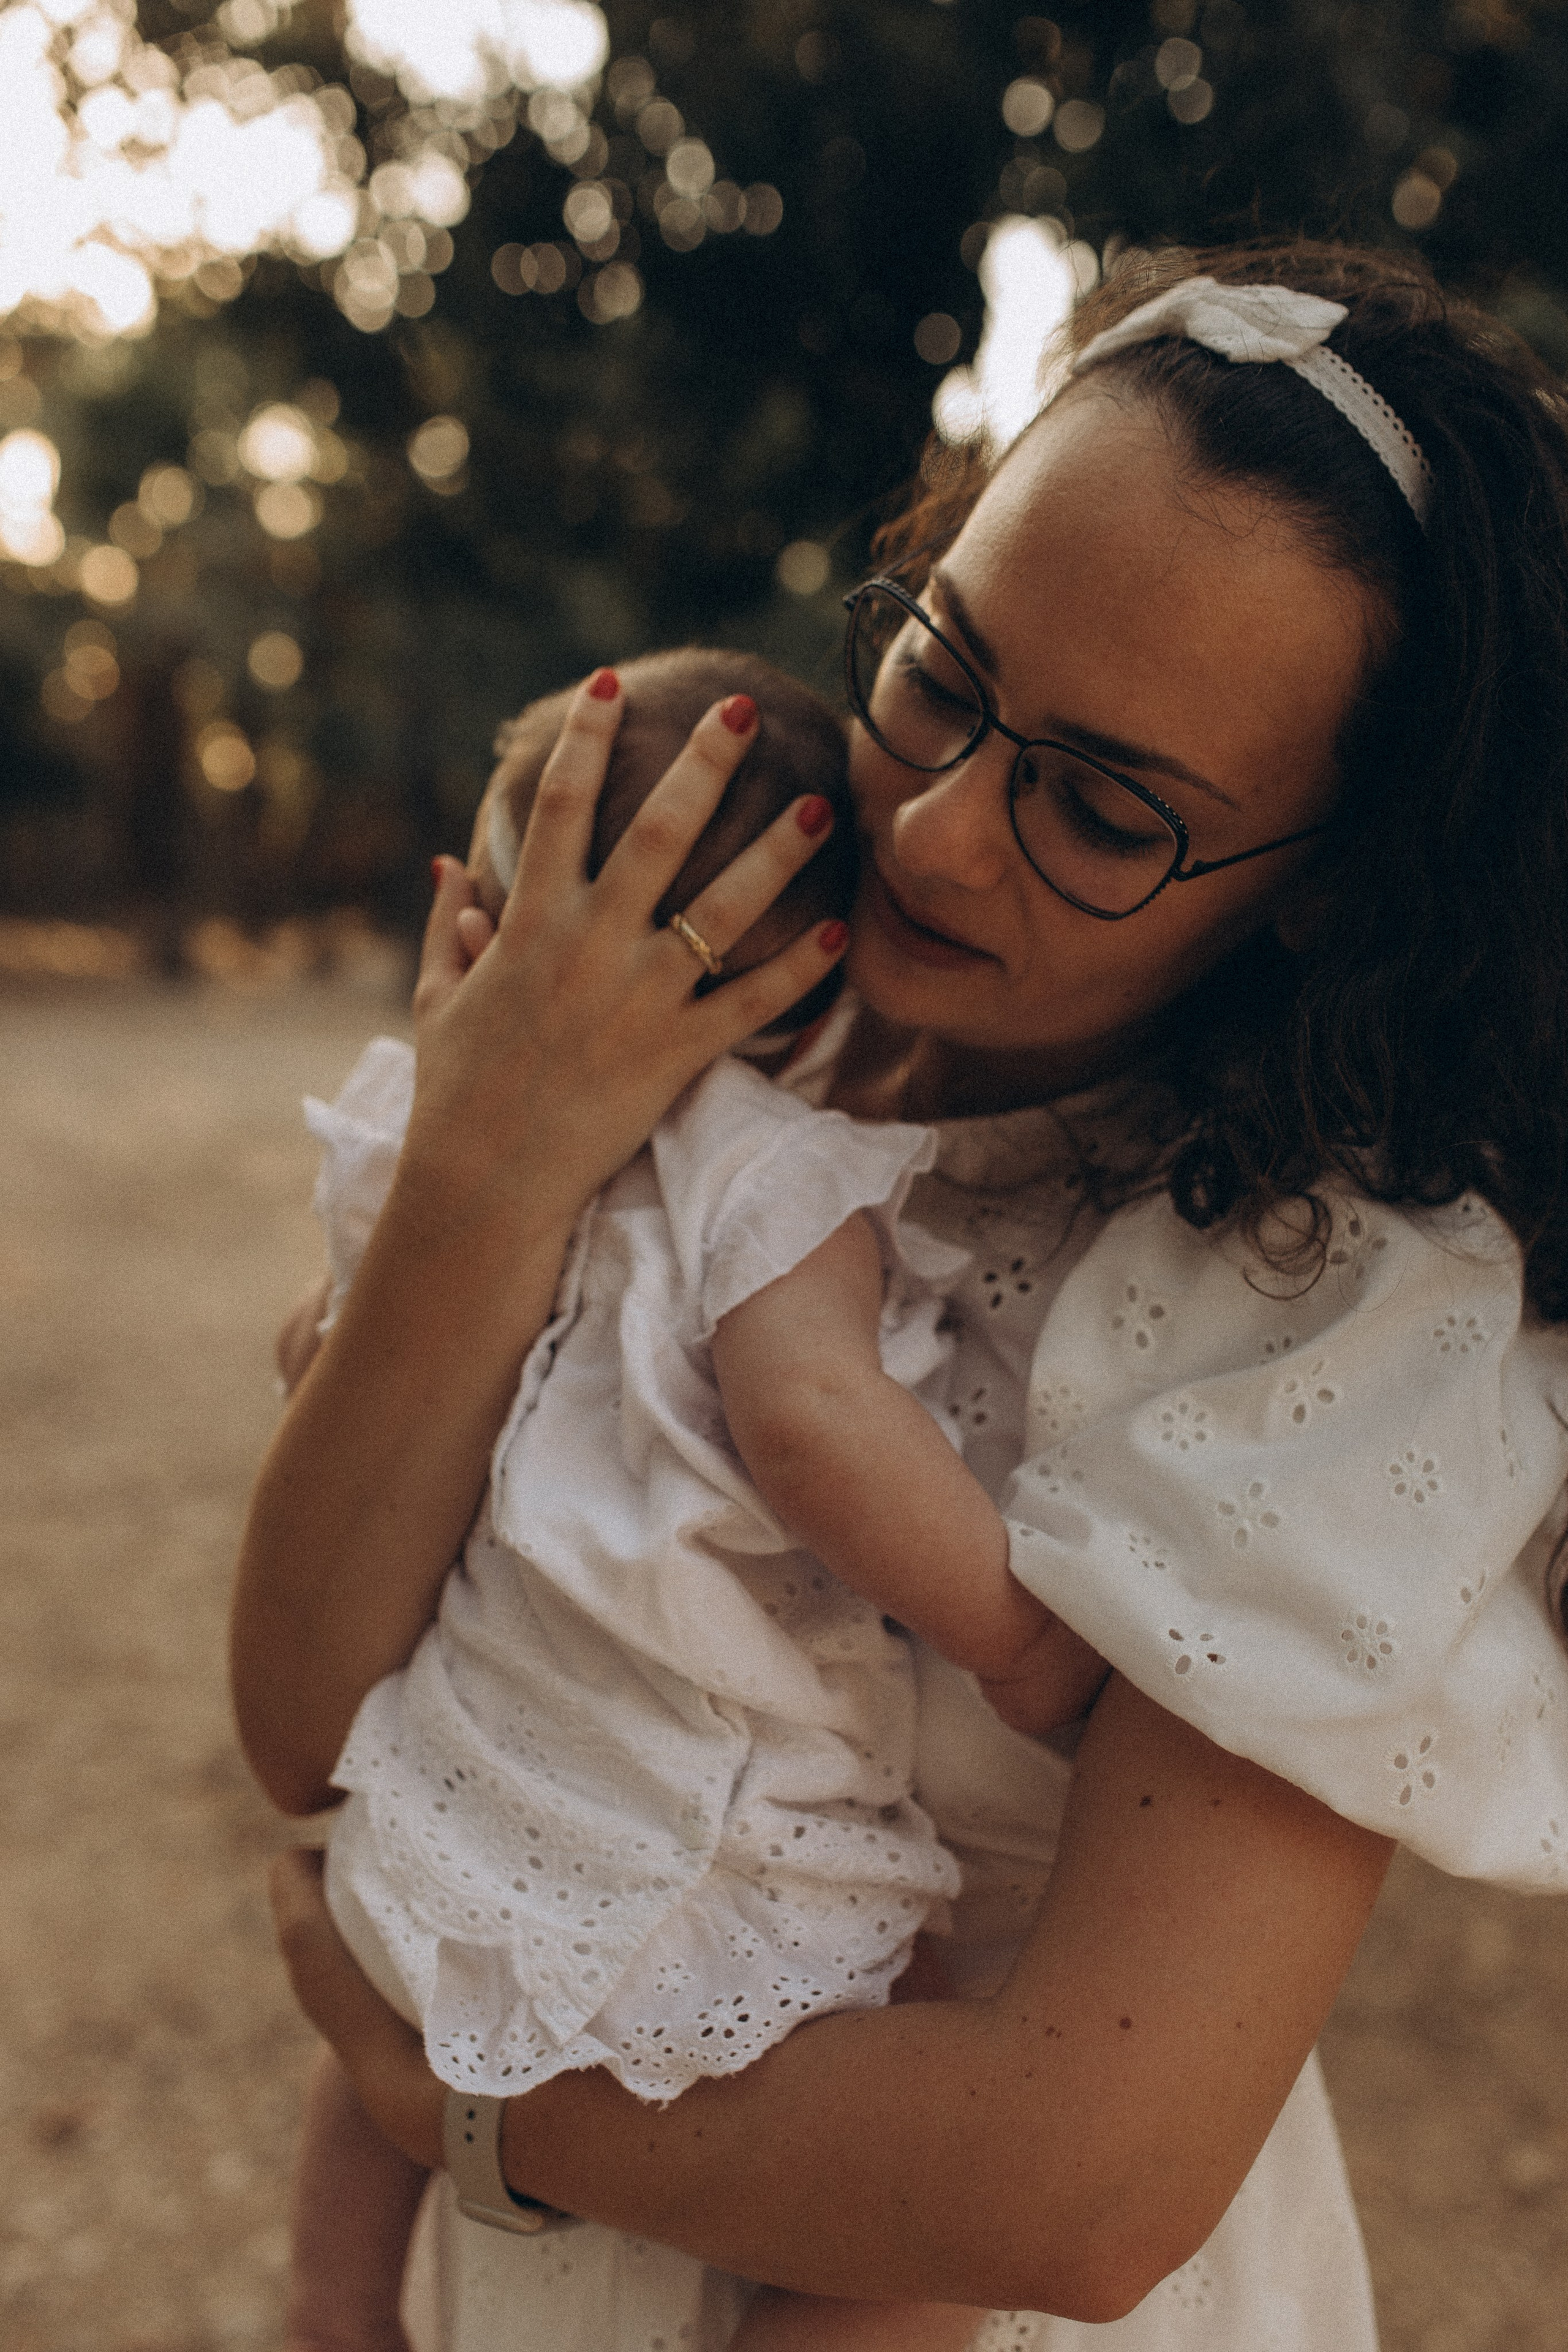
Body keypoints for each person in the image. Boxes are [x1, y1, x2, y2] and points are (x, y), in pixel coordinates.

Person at [237, 239, 1568, 2352]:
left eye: (1107, 811)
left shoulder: (1345, 1312)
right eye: (941, 677)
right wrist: (486, 1162)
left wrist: (446, 2093)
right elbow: (304, 1722)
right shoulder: (674, 1046)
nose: (938, 841)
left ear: (1333, 881)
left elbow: (1080, 2190)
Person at [281, 648, 1109, 2352]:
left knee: (391, 2023)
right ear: (819, 982)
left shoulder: (430, 1135)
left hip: (449, 1796)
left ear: (476, 932)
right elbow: (813, 1423)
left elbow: (319, 1356)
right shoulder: (764, 1162)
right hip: (682, 1835)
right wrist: (1019, 1644)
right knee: (910, 2240)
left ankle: (329, 2311)